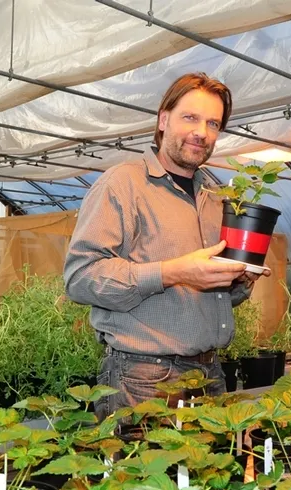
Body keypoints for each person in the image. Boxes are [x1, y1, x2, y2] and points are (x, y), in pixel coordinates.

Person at [64, 72, 269, 420]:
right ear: (163, 120)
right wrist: (174, 272)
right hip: (144, 380)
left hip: (210, 375)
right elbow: (80, 278)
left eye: (213, 123)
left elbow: (209, 297)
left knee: (208, 475)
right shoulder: (123, 184)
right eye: (190, 117)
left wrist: (236, 281)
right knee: (148, 474)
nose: (201, 132)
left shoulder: (215, 199)